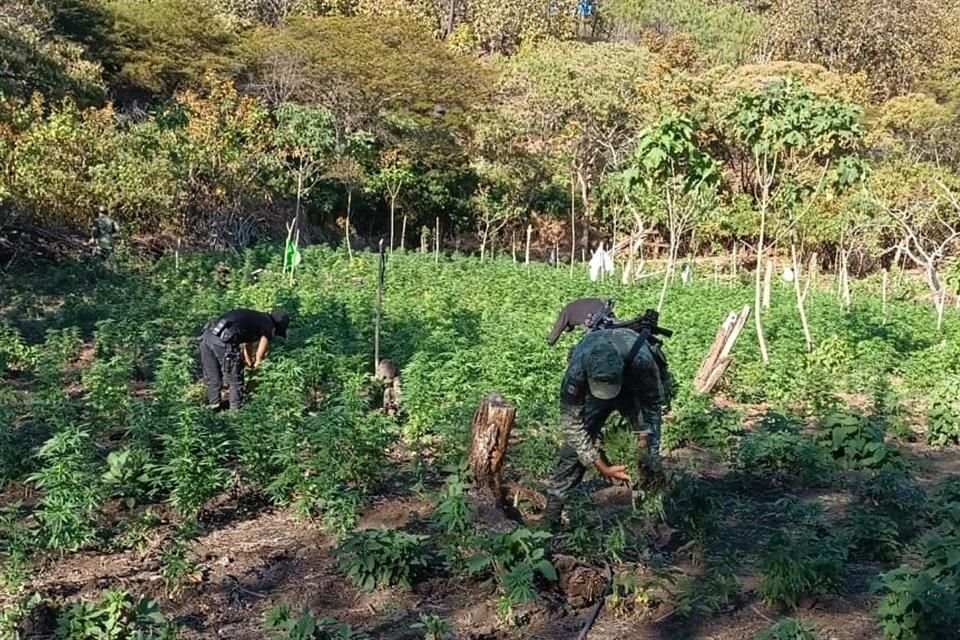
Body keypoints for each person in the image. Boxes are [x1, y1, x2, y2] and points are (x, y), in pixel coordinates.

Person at [542, 327, 664, 530]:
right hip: (592, 393)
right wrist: (600, 465)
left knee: (649, 458)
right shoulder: (578, 367)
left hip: (632, 387)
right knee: (572, 452)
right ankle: (551, 517)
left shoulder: (642, 362)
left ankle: (646, 518)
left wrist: (645, 438)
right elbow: (572, 425)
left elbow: (652, 406)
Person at [199, 308, 289, 410]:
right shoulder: (268, 323)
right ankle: (236, 413)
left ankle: (214, 407)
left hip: (207, 337)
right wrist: (256, 367)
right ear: (277, 325)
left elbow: (247, 344)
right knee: (235, 379)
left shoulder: (255, 317)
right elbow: (261, 354)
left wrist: (249, 361)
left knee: (213, 377)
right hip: (224, 340)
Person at [546, 298, 614, 346]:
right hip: (601, 306)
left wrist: (550, 341)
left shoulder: (566, 311)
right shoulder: (574, 311)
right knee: (611, 324)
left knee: (591, 340)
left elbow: (557, 328)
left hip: (595, 311)